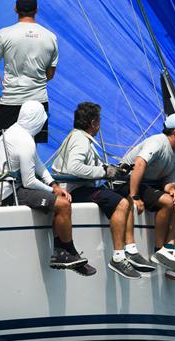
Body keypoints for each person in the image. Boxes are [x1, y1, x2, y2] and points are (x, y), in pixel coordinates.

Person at [52, 102, 156, 280]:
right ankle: (118, 257)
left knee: (127, 199)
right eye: (99, 120)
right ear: (94, 123)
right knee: (122, 203)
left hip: (80, 188)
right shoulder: (80, 140)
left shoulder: (78, 138)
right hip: (74, 191)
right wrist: (103, 172)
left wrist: (111, 169)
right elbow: (74, 167)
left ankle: (130, 249)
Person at [0, 101, 93, 273]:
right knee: (63, 205)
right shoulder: (25, 141)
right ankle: (69, 251)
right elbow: (29, 181)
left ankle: (63, 252)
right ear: (37, 120)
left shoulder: (13, 131)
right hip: (10, 193)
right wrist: (53, 191)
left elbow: (37, 163)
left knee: (57, 201)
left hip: (3, 189)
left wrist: (53, 184)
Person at [119, 113, 175, 285]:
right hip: (127, 180)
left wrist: (171, 189)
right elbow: (140, 164)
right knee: (165, 201)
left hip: (147, 185)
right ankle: (159, 249)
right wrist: (134, 196)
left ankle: (169, 247)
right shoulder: (157, 142)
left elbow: (169, 182)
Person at [0, 0, 57, 143]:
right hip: (38, 103)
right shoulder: (51, 37)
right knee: (31, 149)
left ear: (15, 8)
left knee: (9, 151)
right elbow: (50, 74)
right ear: (36, 9)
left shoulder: (4, 34)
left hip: (12, 103)